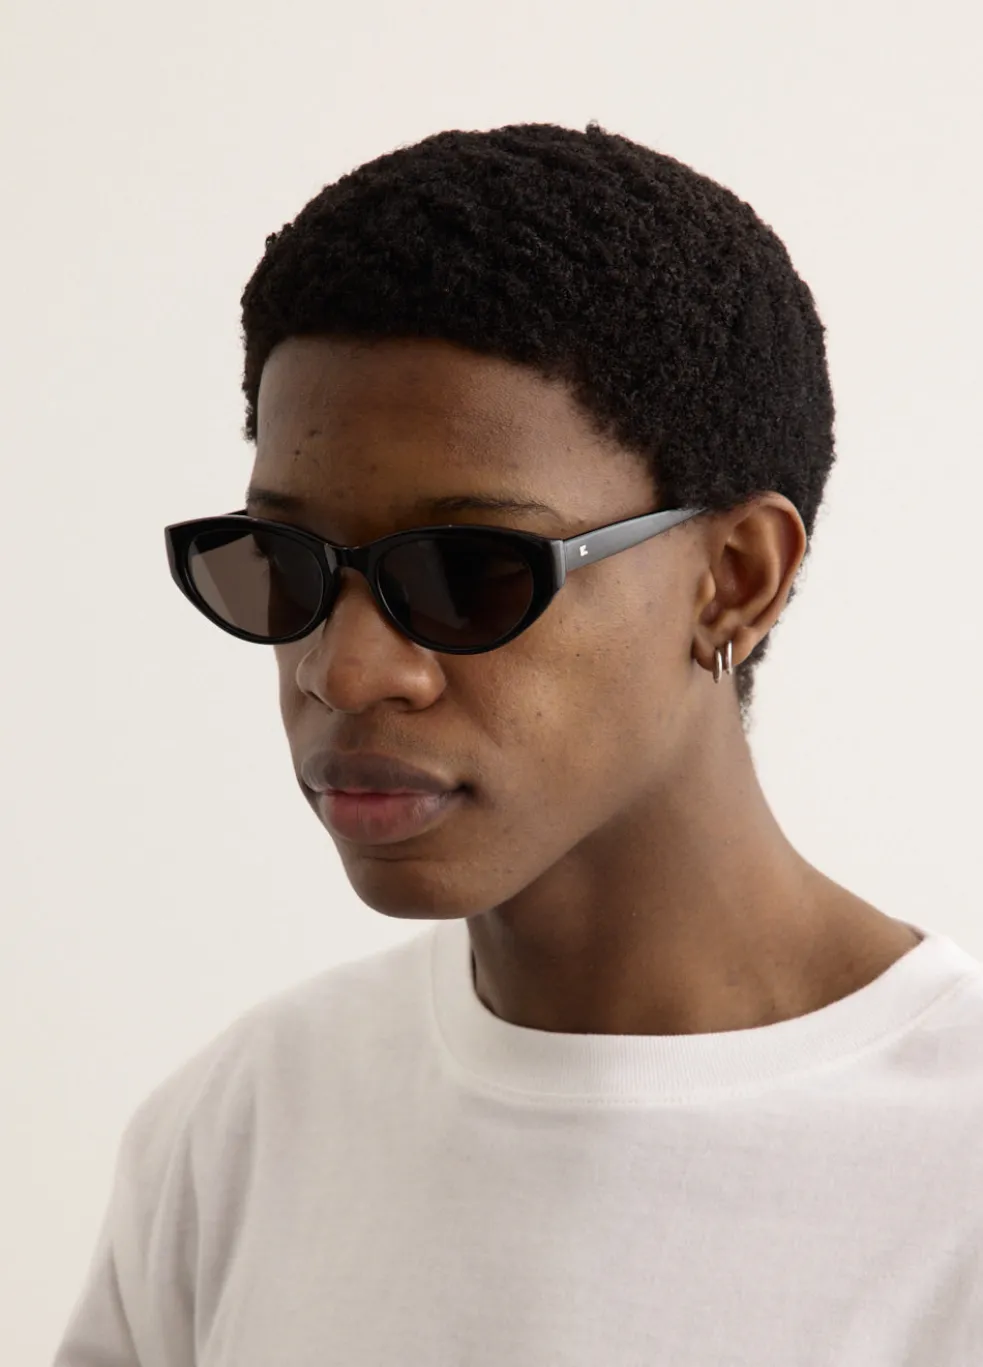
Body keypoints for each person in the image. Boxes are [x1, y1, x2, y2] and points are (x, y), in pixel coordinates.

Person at [54, 121, 983, 1365]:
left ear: (733, 578)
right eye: (284, 561)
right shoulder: (242, 1129)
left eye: (467, 570)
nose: (344, 669)